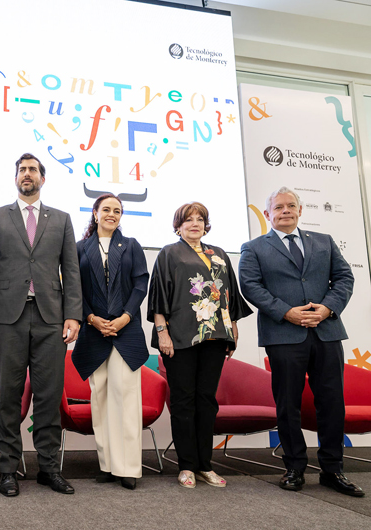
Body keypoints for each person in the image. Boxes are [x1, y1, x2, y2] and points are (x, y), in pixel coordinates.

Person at [239, 187, 362, 497]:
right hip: (283, 335)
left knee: (332, 404)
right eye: (278, 207)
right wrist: (287, 312)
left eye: (291, 205)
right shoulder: (254, 248)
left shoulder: (324, 242)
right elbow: (250, 286)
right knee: (288, 404)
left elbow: (345, 277)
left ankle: (333, 470)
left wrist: (327, 308)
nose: (286, 211)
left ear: (300, 210)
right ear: (267, 214)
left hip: (326, 332)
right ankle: (294, 468)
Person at [0, 153, 82, 497]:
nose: (27, 174)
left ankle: (49, 468)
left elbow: (71, 270)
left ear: (42, 178)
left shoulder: (62, 219)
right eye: (22, 169)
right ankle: (8, 469)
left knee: (49, 396)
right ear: (16, 177)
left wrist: (73, 314)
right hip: (8, 316)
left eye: (32, 169)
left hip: (52, 316)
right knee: (8, 395)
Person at [147, 202, 251, 489]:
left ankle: (206, 465)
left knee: (207, 400)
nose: (195, 223)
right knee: (183, 401)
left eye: (200, 219)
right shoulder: (169, 253)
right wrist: (162, 332)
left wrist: (232, 328)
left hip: (215, 336)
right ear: (178, 225)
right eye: (188, 219)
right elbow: (159, 296)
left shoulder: (218, 254)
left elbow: (228, 295)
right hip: (179, 337)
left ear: (207, 224)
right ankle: (186, 467)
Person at [72, 193, 149, 490]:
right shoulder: (79, 248)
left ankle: (128, 467)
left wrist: (125, 317)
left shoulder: (130, 245)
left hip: (125, 331)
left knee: (125, 398)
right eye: (106, 209)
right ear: (94, 212)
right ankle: (107, 465)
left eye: (117, 210)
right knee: (100, 399)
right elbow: (74, 290)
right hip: (93, 332)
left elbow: (141, 283)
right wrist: (91, 319)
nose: (112, 214)